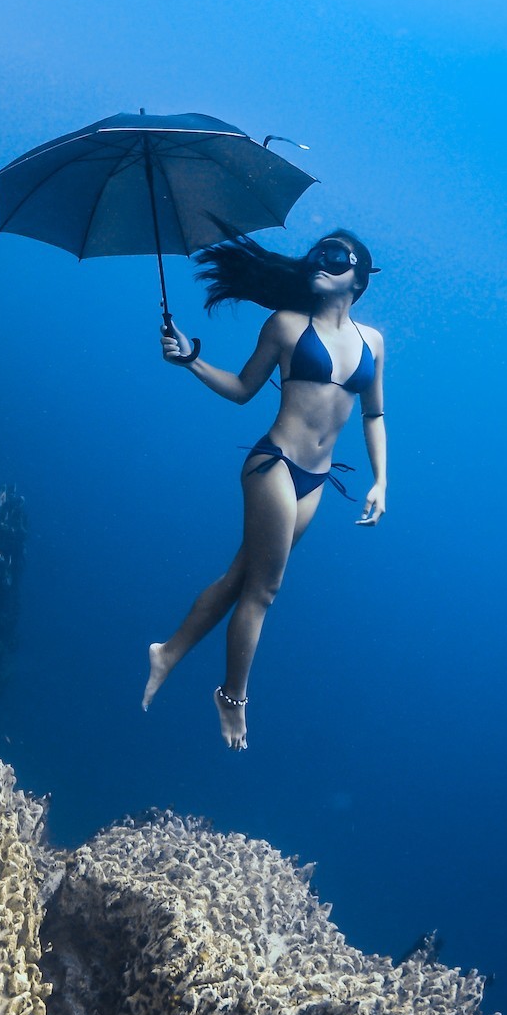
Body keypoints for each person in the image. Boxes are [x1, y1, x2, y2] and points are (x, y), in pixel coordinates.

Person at [142, 230, 386, 750]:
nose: (320, 260)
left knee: (238, 578)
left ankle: (167, 653)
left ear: (360, 276)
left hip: (317, 481)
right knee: (264, 590)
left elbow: (375, 414)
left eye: (336, 256)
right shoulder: (285, 326)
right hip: (273, 463)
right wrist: (190, 359)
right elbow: (241, 390)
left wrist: (382, 481)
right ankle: (232, 699)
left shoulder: (373, 342)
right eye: (317, 252)